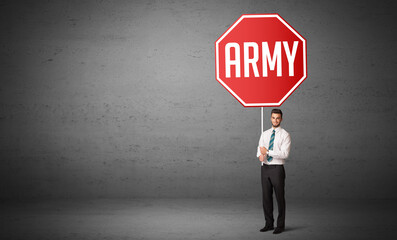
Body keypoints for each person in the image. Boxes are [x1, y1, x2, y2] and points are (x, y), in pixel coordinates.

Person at [257, 109, 291, 234]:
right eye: (273, 117)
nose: (275, 120)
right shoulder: (265, 134)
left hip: (277, 169)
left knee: (279, 198)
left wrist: (268, 152)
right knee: (266, 197)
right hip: (265, 168)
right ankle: (269, 224)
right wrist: (260, 155)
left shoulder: (285, 135)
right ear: (270, 118)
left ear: (281, 119)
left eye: (278, 118)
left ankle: (280, 225)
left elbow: (284, 154)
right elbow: (260, 148)